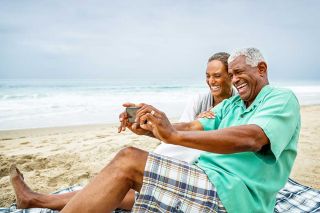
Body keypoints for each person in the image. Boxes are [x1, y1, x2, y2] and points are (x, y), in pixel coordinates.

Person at [10, 47, 301, 213]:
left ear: (261, 68)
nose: (234, 80)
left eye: (239, 73)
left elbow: (253, 137)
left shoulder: (280, 99)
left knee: (128, 160)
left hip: (237, 198)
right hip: (209, 180)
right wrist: (151, 125)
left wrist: (173, 136)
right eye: (232, 74)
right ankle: (36, 200)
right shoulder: (230, 106)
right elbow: (188, 126)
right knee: (130, 188)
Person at [154, 52, 237, 163]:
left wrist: (206, 126)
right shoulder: (198, 100)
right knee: (165, 149)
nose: (211, 81)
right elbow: (179, 133)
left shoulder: (240, 103)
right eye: (208, 76)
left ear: (231, 76)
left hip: (221, 153)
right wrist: (197, 122)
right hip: (193, 145)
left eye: (217, 76)